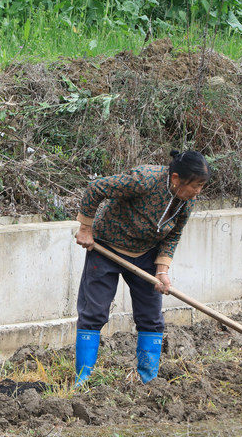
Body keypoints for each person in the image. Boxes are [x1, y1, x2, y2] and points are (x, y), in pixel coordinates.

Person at [73, 150, 210, 385]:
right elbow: (96, 188)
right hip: (107, 248)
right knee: (94, 313)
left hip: (146, 254)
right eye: (195, 185)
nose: (198, 191)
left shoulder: (186, 203)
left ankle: (149, 381)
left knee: (151, 318)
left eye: (201, 186)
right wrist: (86, 228)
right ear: (176, 178)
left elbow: (173, 235)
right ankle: (83, 380)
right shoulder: (144, 180)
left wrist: (162, 270)